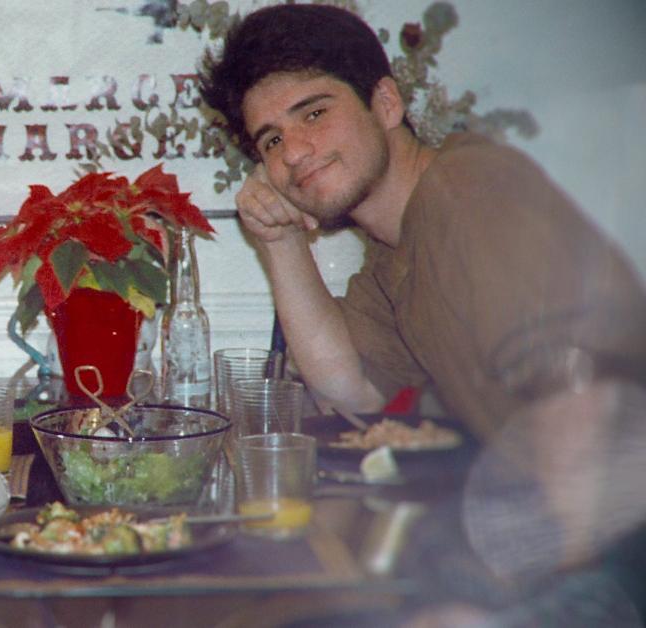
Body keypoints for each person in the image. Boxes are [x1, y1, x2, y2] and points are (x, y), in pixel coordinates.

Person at [200, 3, 646, 623]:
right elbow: (348, 384)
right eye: (271, 139)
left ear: (386, 104)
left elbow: (584, 394)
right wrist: (279, 241)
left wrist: (493, 599)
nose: (294, 152)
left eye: (315, 113)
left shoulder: (473, 194)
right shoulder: (396, 247)